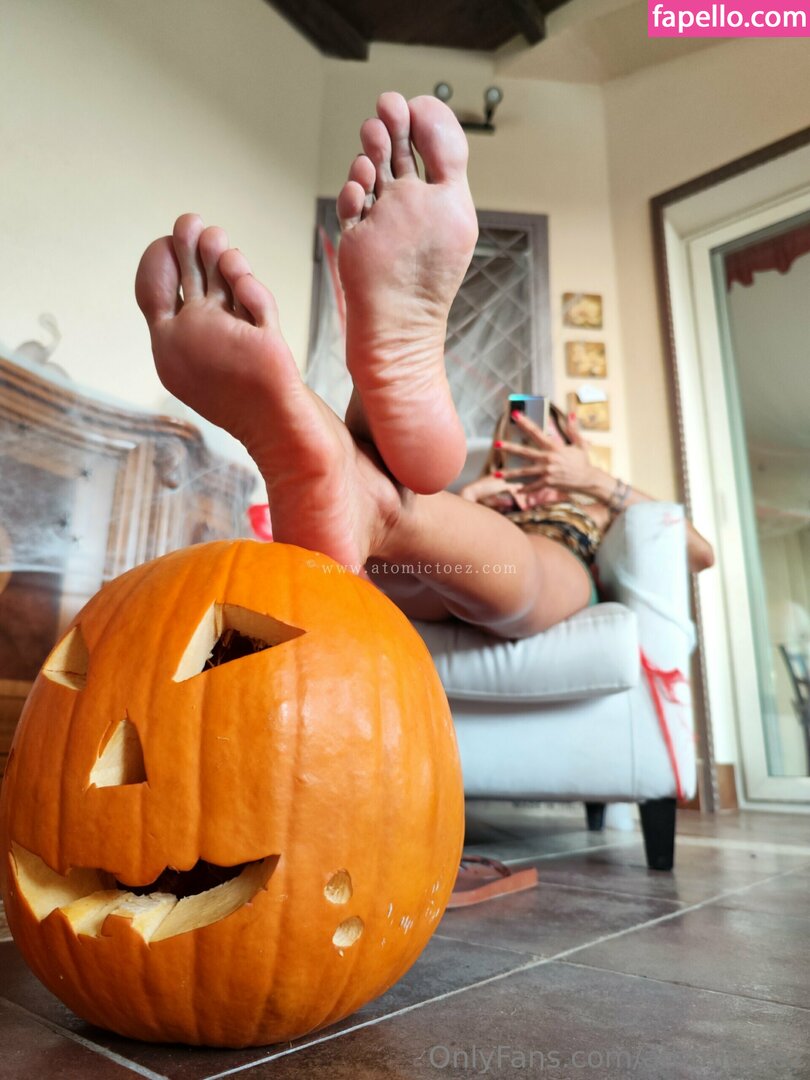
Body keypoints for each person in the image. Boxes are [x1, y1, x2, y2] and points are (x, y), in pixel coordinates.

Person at [135, 92, 713, 643]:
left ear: (577, 440)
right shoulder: (487, 489)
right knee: (412, 535)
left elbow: (699, 553)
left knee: (525, 568)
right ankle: (372, 488)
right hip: (440, 564)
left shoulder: (588, 503)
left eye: (545, 442)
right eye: (518, 446)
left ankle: (368, 482)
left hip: (543, 561)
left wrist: (589, 481)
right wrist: (484, 496)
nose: (531, 454)